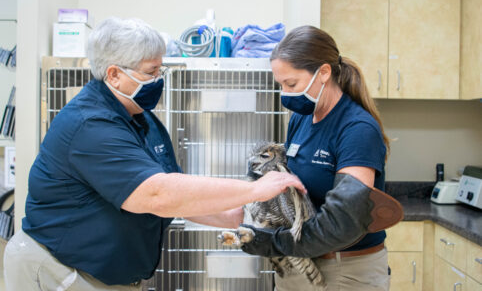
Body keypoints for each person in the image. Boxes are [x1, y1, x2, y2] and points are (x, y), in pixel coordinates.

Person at [3, 18, 305, 291]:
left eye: (160, 69)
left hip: (106, 274)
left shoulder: (141, 117)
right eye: (151, 72)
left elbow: (175, 198)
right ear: (114, 74)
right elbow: (156, 194)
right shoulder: (91, 125)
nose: (159, 79)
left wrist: (242, 217)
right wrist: (254, 189)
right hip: (59, 269)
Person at [240, 26, 401, 291]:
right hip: (299, 264)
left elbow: (343, 221)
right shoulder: (301, 119)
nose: (285, 94)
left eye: (291, 84)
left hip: (345, 270)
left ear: (324, 72)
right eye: (281, 85)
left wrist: (274, 242)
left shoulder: (357, 129)